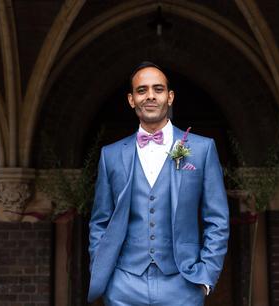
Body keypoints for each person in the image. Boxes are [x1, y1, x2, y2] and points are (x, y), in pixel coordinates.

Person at [88, 61, 229, 306]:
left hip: (183, 283)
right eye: (142, 90)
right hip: (124, 284)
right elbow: (100, 220)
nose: (150, 96)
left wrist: (206, 275)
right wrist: (104, 274)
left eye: (158, 89)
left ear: (170, 97)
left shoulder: (201, 149)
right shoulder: (110, 155)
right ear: (131, 99)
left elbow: (217, 218)